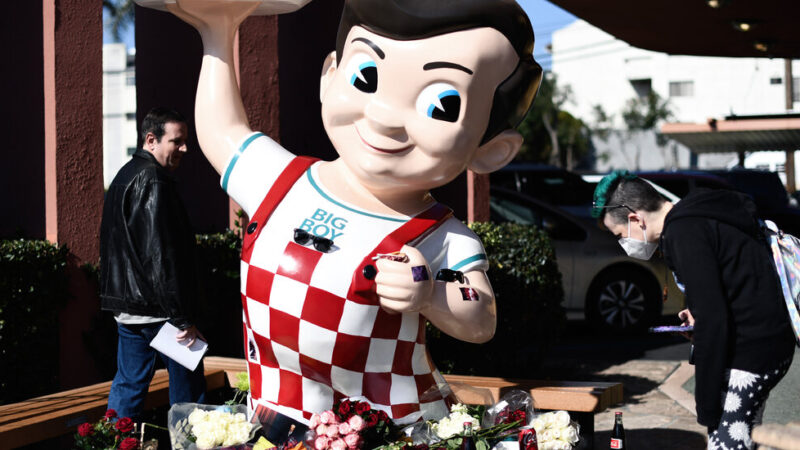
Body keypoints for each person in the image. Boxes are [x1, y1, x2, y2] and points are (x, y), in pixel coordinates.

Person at [165, 0, 542, 427]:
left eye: (442, 104)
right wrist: (217, 32)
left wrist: (431, 293)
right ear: (330, 76)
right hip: (274, 417)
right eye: (367, 76)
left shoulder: (442, 236)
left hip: (389, 429)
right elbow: (224, 131)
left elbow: (481, 315)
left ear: (492, 150)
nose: (383, 117)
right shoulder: (283, 181)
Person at [592, 171, 795, 449]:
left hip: (751, 352)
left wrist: (707, 404)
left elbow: (714, 320)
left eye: (619, 235)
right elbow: (725, 288)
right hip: (770, 342)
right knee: (744, 437)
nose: (623, 243)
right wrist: (696, 315)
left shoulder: (684, 233)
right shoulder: (696, 214)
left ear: (635, 219)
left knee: (726, 442)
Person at [100, 107, 207, 421]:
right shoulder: (154, 181)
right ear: (151, 140)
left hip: (129, 309)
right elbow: (160, 256)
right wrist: (181, 317)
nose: (185, 148)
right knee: (188, 394)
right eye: (177, 141)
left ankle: (113, 443)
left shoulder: (123, 175)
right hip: (161, 311)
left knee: (129, 386)